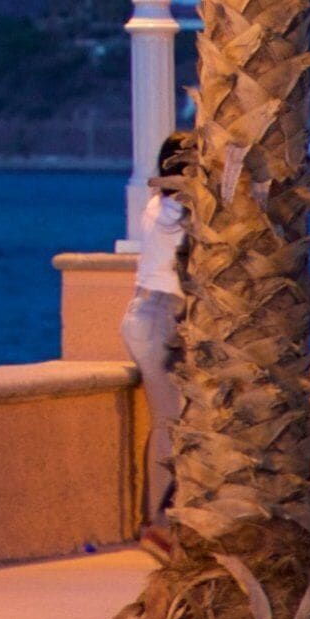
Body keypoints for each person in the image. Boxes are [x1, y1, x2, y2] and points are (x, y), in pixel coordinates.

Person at [124, 133, 191, 521]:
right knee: (170, 421)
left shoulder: (160, 206)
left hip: (155, 313)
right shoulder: (174, 214)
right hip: (160, 316)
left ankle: (164, 516)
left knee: (171, 419)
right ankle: (159, 522)